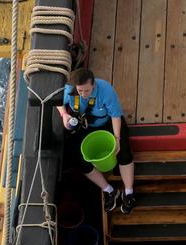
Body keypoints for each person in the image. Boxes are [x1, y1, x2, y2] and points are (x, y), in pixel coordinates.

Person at [56, 68, 136, 214]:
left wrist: (117, 139)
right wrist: (64, 115)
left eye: (87, 90)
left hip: (108, 124)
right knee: (80, 160)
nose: (83, 94)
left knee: (123, 152)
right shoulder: (69, 90)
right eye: (80, 91)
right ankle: (109, 190)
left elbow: (115, 116)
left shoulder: (106, 91)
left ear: (93, 84)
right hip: (85, 128)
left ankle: (129, 192)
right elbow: (58, 101)